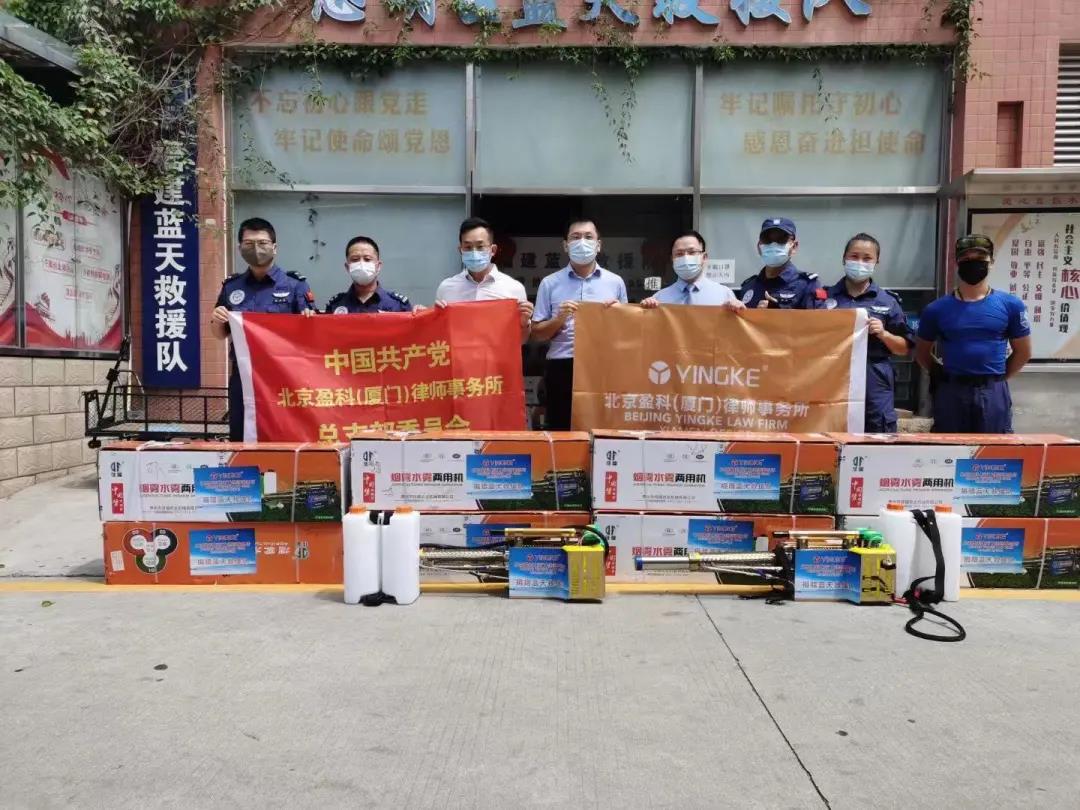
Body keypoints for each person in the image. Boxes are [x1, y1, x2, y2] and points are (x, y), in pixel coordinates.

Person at [210, 217, 315, 441]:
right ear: (240, 248)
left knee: (285, 435)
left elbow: (311, 333)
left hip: (284, 377)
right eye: (249, 243)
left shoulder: (295, 285)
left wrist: (310, 320)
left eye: (262, 243)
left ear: (274, 247)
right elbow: (220, 334)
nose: (256, 249)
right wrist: (217, 320)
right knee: (242, 435)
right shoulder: (232, 287)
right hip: (244, 376)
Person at [915, 234, 1032, 434]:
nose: (973, 263)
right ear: (957, 263)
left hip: (992, 391)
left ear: (991, 262)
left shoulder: (1011, 305)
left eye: (980, 258)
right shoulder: (936, 309)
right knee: (949, 448)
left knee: (994, 449)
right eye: (966, 259)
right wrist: (943, 375)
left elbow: (1023, 352)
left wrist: (997, 378)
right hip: (951, 392)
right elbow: (922, 352)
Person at [531, 219, 628, 430]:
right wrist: (559, 318)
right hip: (562, 365)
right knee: (561, 427)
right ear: (565, 245)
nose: (582, 242)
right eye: (575, 237)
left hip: (602, 365)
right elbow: (537, 334)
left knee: (603, 427)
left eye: (588, 237)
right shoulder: (550, 283)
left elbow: (626, 334)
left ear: (598, 245)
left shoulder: (615, 282)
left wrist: (617, 315)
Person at [822, 233, 914, 433]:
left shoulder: (888, 301)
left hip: (874, 378)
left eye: (867, 258)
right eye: (854, 257)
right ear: (844, 258)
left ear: (876, 262)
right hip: (832, 376)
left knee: (878, 433)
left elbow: (903, 348)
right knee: (831, 431)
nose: (860, 263)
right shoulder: (823, 298)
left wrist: (884, 334)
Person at [435, 217, 532, 338]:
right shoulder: (446, 288)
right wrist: (425, 316)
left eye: (480, 247)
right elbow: (438, 336)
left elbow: (521, 341)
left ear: (493, 250)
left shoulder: (513, 288)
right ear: (460, 250)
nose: (474, 252)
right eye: (468, 247)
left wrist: (524, 323)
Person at [641, 230, 744, 309]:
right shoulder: (659, 298)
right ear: (672, 259)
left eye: (692, 252)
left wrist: (738, 312)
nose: (685, 257)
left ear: (704, 257)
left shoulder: (724, 295)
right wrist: (646, 311)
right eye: (679, 254)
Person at [736, 217, 825, 309]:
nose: (773, 244)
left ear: (794, 247)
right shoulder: (749, 286)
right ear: (759, 246)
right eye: (767, 239)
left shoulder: (808, 285)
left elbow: (819, 318)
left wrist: (778, 312)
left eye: (781, 239)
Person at [325, 236, 413, 314]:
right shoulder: (335, 305)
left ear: (378, 266)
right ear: (347, 267)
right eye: (355, 259)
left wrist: (420, 315)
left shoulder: (398, 305)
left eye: (367, 259)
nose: (361, 264)